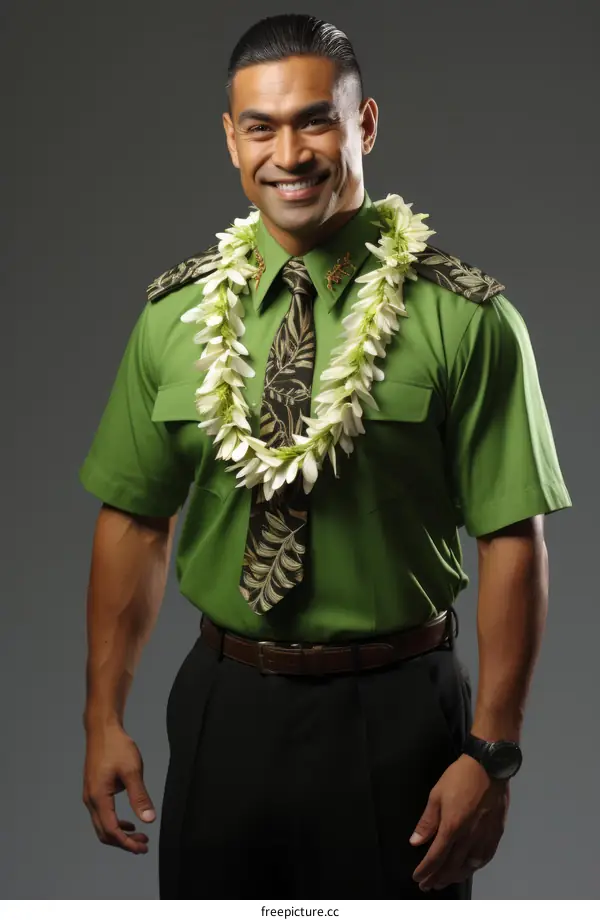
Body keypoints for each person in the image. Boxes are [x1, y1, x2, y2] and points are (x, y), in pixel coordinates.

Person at [80, 13, 571, 900]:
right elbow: (135, 519)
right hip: (223, 703)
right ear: (231, 139)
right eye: (261, 127)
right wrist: (101, 717)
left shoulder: (466, 318)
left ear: (365, 125)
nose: (290, 153)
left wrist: (492, 755)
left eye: (316, 121)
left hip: (397, 714)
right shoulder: (174, 318)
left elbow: (512, 539)